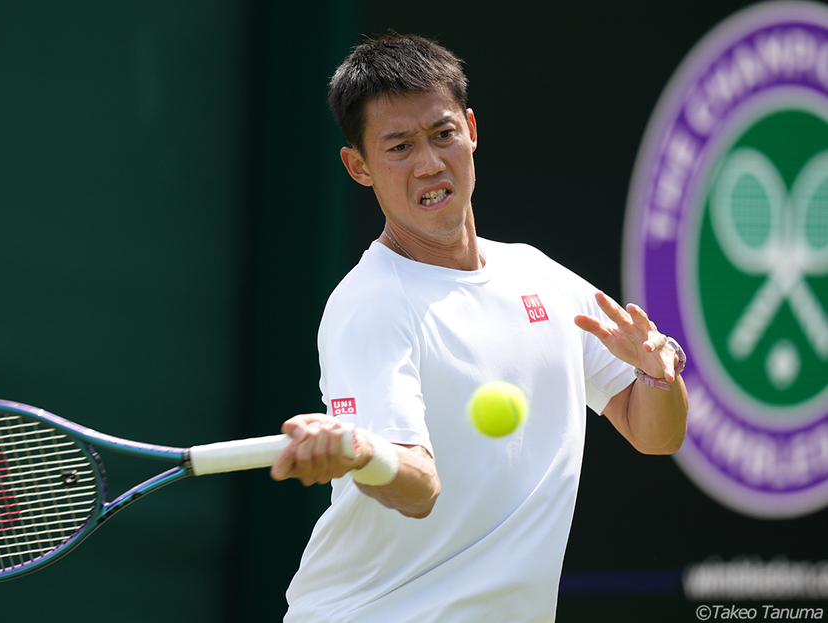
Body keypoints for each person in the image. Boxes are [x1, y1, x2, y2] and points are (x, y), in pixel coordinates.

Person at [269, 33, 688, 622]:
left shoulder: (537, 276)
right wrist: (364, 451)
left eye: (443, 134)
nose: (430, 163)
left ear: (470, 128)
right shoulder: (370, 307)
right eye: (399, 146)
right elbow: (416, 488)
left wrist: (657, 378)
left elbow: (656, 434)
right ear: (358, 166)